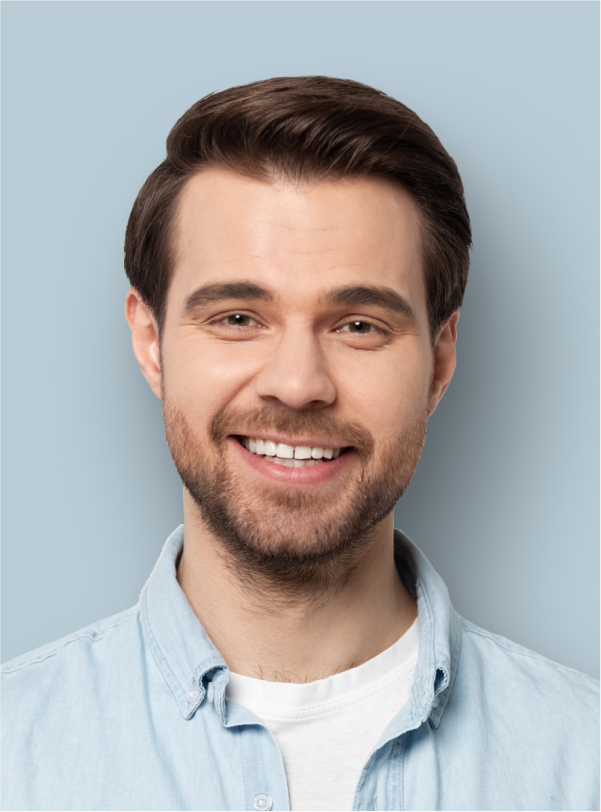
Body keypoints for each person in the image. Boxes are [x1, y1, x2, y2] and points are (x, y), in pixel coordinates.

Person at [0, 76, 599, 812]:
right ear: (151, 344)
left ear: (439, 362)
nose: (296, 384)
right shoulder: (14, 751)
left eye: (357, 325)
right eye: (237, 317)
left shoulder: (582, 758)